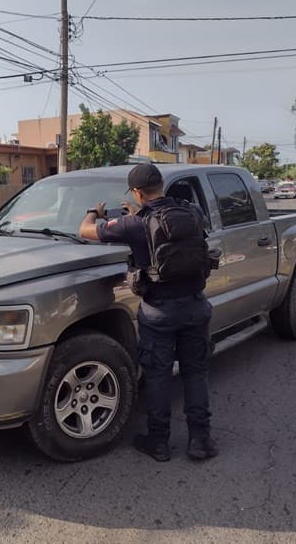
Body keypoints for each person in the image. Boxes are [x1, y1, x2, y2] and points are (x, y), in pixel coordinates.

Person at [79, 164, 217, 462]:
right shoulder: (192, 212)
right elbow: (168, 232)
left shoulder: (135, 224)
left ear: (138, 193)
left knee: (158, 377)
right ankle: (200, 441)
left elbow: (85, 231)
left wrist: (95, 211)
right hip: (195, 306)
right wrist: (135, 214)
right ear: (162, 184)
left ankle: (158, 442)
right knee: (195, 374)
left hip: (158, 314)